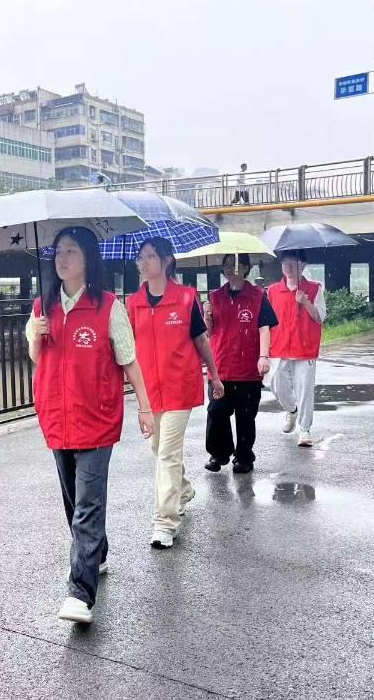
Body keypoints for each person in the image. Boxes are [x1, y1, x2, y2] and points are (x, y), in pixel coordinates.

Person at [26, 226, 154, 626]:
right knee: (72, 498)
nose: (62, 259)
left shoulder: (108, 306)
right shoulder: (43, 306)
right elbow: (38, 358)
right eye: (58, 252)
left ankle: (79, 593)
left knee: (87, 504)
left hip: (96, 416)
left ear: (88, 259)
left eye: (71, 251)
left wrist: (145, 408)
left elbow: (128, 359)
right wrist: (34, 335)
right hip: (56, 415)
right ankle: (95, 552)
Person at [127, 237, 224, 550]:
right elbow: (126, 349)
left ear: (166, 260)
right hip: (150, 391)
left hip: (180, 386)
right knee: (158, 449)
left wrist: (214, 375)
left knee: (167, 453)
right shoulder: (133, 303)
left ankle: (165, 522)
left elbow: (201, 340)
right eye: (141, 257)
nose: (144, 263)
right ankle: (183, 489)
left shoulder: (185, 298)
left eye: (151, 256)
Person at [202, 254, 278, 474]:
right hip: (220, 366)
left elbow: (265, 327)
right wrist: (207, 317)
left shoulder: (258, 296)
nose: (229, 269)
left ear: (246, 269)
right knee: (217, 411)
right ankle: (218, 453)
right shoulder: (215, 297)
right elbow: (208, 333)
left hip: (247, 368)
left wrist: (263, 357)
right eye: (225, 265)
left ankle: (244, 456)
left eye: (234, 265)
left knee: (245, 416)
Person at [267, 250, 327, 448]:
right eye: (285, 263)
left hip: (304, 347)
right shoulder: (273, 291)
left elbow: (320, 317)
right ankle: (292, 410)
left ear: (303, 266)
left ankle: (304, 428)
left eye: (293, 263)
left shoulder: (314, 288)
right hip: (279, 346)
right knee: (275, 384)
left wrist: (306, 302)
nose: (288, 267)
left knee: (304, 390)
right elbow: (265, 321)